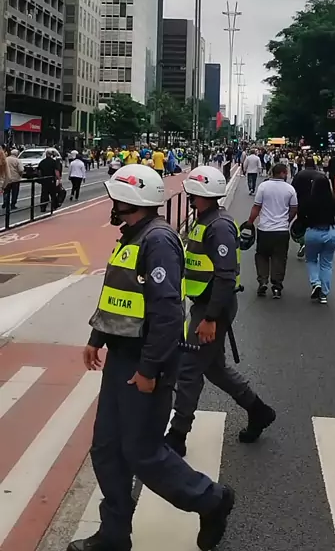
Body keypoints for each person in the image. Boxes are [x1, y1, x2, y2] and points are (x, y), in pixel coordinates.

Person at [68, 165, 234, 551]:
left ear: (131, 200)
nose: (112, 203)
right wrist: (98, 337)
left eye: (116, 197)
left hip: (145, 361)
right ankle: (114, 535)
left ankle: (211, 500)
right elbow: (119, 294)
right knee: (107, 449)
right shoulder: (133, 236)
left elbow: (167, 315)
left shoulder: (158, 241)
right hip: (121, 357)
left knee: (142, 453)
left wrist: (149, 369)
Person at [166, 165, 275, 458]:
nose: (189, 197)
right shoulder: (205, 220)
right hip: (207, 304)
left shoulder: (219, 226)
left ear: (201, 193)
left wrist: (211, 318)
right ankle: (258, 410)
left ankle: (177, 435)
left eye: (192, 192)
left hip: (213, 307)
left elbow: (226, 276)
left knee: (189, 370)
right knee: (214, 369)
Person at [247, 163, 298, 298]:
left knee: (261, 256)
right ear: (282, 173)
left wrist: (250, 222)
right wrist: (287, 220)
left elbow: (257, 207)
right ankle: (276, 286)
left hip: (264, 229)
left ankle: (262, 281)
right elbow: (294, 208)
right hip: (281, 230)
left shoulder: (263, 187)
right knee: (279, 258)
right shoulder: (290, 189)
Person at [302, 176, 335, 304]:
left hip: (313, 232)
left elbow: (302, 217)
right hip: (330, 232)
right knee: (326, 264)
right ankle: (324, 294)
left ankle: (315, 282)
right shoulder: (333, 200)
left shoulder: (309, 200)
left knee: (311, 259)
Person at [292, 157, 326, 258]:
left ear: (305, 164)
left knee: (303, 224)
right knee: (315, 225)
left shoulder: (300, 175)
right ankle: (315, 243)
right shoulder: (320, 176)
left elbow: (293, 189)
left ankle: (303, 242)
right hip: (317, 205)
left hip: (302, 203)